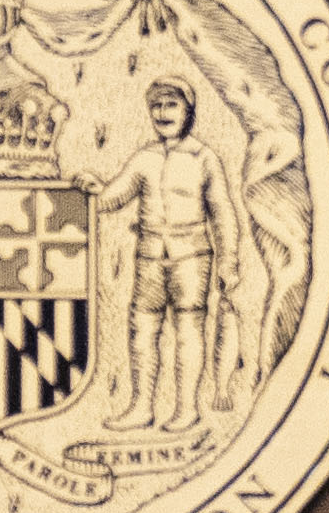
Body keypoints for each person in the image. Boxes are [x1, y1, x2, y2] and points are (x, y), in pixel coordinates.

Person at [99, 82, 240, 432]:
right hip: (148, 256)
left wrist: (229, 260)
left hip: (192, 257)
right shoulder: (144, 157)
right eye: (157, 106)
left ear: (187, 110)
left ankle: (187, 409)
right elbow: (113, 195)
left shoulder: (205, 158)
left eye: (171, 104)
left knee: (188, 331)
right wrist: (91, 189)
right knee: (142, 330)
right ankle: (141, 407)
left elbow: (222, 212)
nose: (163, 113)